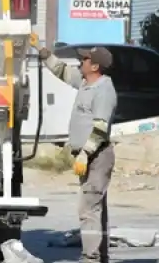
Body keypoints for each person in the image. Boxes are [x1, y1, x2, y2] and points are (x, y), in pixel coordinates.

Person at [36, 42, 116, 263]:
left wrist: (85, 154)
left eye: (85, 60)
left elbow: (100, 128)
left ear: (95, 66)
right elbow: (62, 71)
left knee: (88, 207)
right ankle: (101, 257)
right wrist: (42, 52)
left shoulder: (104, 90)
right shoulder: (85, 83)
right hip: (90, 155)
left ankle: (90, 258)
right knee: (96, 207)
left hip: (97, 156)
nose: (81, 62)